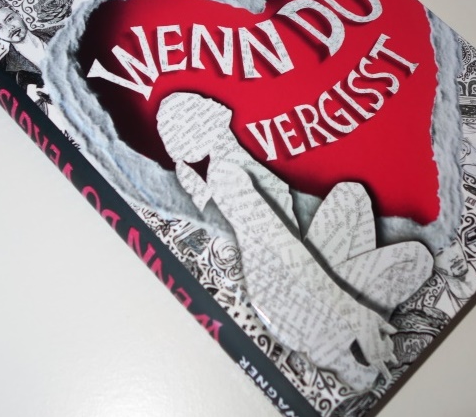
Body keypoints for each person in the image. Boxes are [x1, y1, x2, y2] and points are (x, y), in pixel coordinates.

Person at [156, 91, 433, 390]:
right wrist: (354, 312)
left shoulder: (229, 161)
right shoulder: (226, 176)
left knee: (350, 195)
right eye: (200, 106)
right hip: (291, 302)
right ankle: (351, 340)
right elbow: (287, 250)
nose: (212, 102)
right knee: (416, 259)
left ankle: (352, 335)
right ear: (204, 124)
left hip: (289, 285)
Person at [0, 0, 55, 89]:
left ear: (18, 14)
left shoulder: (59, 31)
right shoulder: (4, 70)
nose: (9, 28)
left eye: (9, 19)